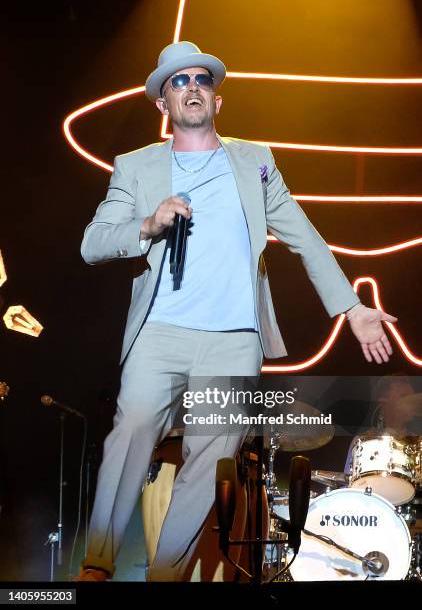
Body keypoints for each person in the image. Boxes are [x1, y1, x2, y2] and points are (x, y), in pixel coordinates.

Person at [75, 41, 397, 582]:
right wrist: (147, 226)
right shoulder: (135, 167)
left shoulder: (256, 162)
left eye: (201, 79)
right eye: (178, 82)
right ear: (162, 104)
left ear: (217, 100)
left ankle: (164, 575)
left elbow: (305, 238)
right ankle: (97, 564)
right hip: (160, 332)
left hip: (234, 338)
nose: (191, 87)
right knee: (131, 426)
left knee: (210, 457)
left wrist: (352, 307)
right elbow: (93, 243)